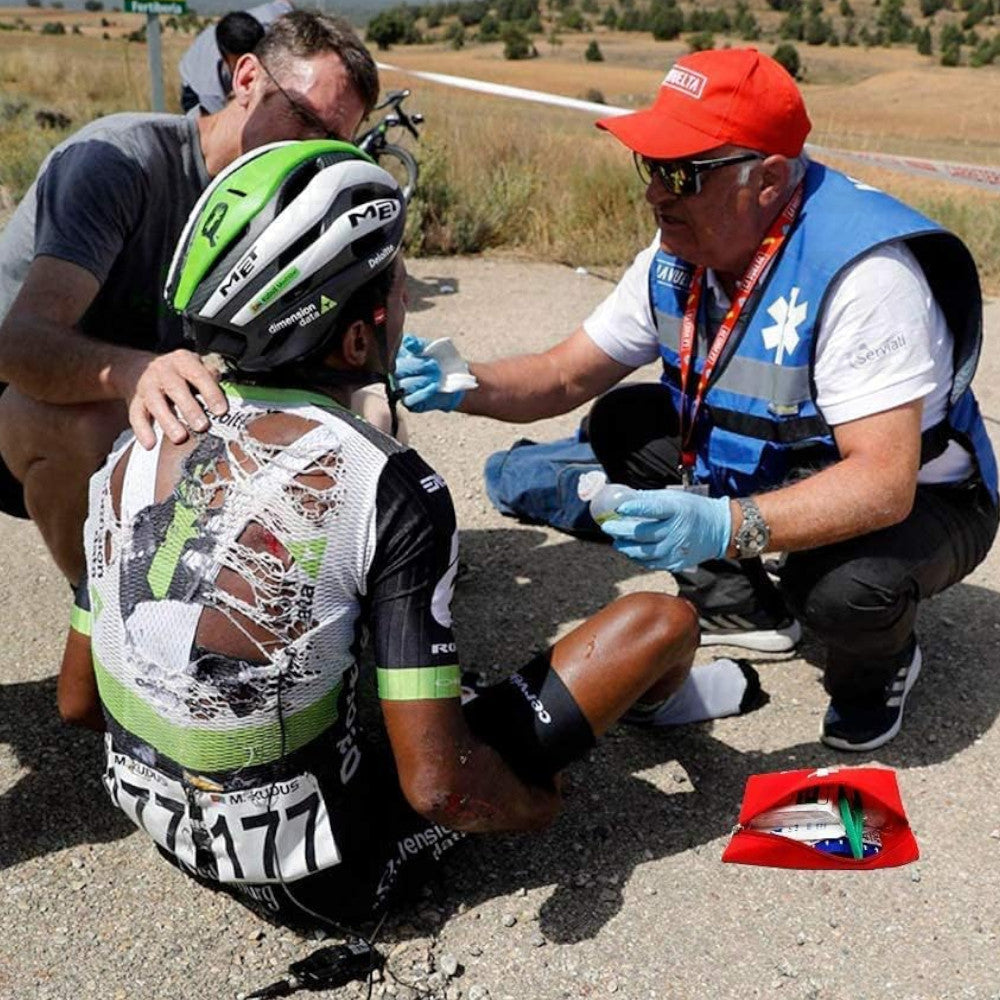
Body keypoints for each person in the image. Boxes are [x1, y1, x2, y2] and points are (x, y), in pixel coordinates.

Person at [55, 142, 753, 928]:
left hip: (165, 827)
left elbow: (79, 701)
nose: (411, 295)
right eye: (399, 286)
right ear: (359, 340)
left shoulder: (137, 440)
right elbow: (441, 789)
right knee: (662, 622)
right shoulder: (388, 483)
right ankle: (659, 702)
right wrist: (533, 807)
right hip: (327, 874)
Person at [393, 47, 999, 752]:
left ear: (768, 178)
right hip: (794, 463)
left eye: (682, 172)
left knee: (841, 590)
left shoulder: (864, 276)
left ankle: (882, 666)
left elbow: (884, 484)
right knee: (622, 420)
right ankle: (746, 610)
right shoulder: (674, 255)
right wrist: (465, 383)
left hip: (922, 501)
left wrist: (725, 526)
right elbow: (564, 376)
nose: (656, 193)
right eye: (649, 166)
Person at [0, 10, 380, 585]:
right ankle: (107, 624)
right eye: (300, 116)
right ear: (246, 78)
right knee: (91, 428)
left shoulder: (285, 200)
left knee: (361, 410)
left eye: (333, 141)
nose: (310, 150)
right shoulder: (118, 163)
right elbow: (19, 345)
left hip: (146, 398)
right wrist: (136, 372)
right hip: (28, 405)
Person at [179, 2, 293, 114]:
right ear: (225, 59)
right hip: (194, 91)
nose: (251, 70)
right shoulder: (210, 88)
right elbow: (220, 126)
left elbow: (284, 5)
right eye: (242, 64)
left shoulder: (272, 23)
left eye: (256, 59)